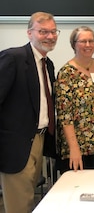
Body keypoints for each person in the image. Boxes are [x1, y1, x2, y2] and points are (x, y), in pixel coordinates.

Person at [0, 12, 59, 213]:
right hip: (16, 145)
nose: (50, 36)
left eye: (53, 31)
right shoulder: (13, 58)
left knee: (28, 199)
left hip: (40, 140)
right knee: (19, 205)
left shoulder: (47, 64)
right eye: (43, 31)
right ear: (29, 33)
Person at [55, 26, 94, 173]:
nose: (88, 45)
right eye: (83, 41)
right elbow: (65, 115)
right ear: (74, 44)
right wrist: (74, 149)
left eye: (91, 41)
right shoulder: (66, 73)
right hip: (78, 145)